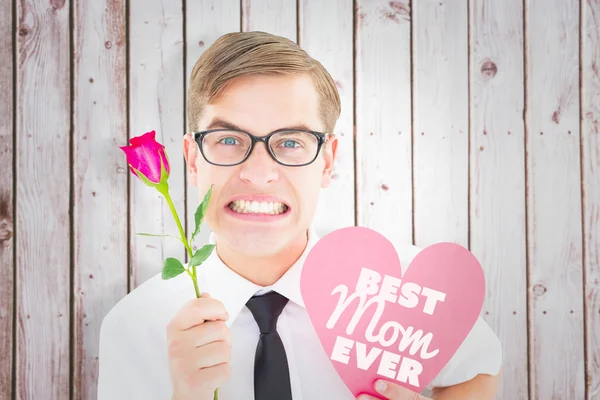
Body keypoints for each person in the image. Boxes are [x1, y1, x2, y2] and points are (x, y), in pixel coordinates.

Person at [97, 31, 502, 400]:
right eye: (228, 140)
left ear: (327, 162)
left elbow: (477, 371)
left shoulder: (404, 288)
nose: (257, 174)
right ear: (192, 159)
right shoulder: (134, 328)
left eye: (290, 141)